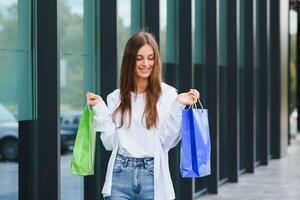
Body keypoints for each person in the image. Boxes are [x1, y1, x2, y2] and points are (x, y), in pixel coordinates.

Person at [86, 31, 200, 200]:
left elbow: (168, 141)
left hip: (153, 178)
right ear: (130, 60)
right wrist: (100, 108)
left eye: (150, 57)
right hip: (119, 175)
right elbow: (110, 144)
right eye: (139, 58)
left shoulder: (168, 95)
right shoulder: (115, 97)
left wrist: (179, 105)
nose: (146, 63)